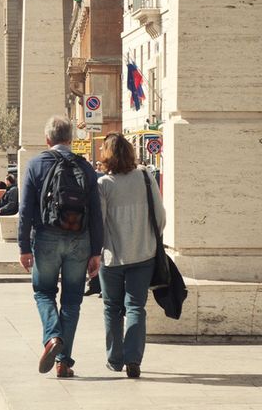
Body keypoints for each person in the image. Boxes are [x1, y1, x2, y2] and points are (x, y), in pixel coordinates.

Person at [18, 116, 103, 379]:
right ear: (70, 139)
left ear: (47, 140)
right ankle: (64, 363)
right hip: (80, 240)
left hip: (46, 238)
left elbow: (25, 211)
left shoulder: (36, 165)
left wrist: (24, 247)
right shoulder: (85, 167)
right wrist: (96, 251)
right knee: (72, 300)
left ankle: (52, 337)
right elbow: (97, 212)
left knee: (43, 292)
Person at [97, 133, 164, 379]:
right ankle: (133, 359)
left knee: (111, 307)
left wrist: (99, 251)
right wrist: (147, 238)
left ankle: (115, 359)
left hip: (112, 257)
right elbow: (160, 216)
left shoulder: (103, 184)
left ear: (107, 155)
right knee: (135, 306)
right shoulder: (146, 177)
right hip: (143, 254)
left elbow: (100, 223)